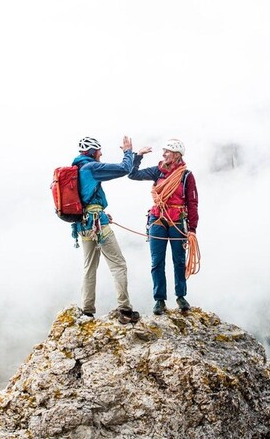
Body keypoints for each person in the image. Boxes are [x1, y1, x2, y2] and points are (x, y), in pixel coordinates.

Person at [71, 136, 140, 324]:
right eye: (99, 150)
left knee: (89, 267)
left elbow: (85, 198)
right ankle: (125, 309)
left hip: (83, 226)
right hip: (98, 225)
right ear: (92, 152)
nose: (101, 153)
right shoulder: (92, 168)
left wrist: (101, 211)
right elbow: (124, 169)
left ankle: (87, 310)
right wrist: (128, 151)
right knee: (118, 265)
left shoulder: (76, 170)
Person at [128, 138, 199, 315]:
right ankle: (159, 300)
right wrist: (138, 156)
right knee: (157, 261)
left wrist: (192, 228)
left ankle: (180, 296)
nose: (163, 154)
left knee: (179, 260)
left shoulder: (186, 176)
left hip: (177, 219)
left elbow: (192, 202)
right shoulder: (157, 172)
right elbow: (133, 174)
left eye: (167, 151)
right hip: (157, 218)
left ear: (176, 155)